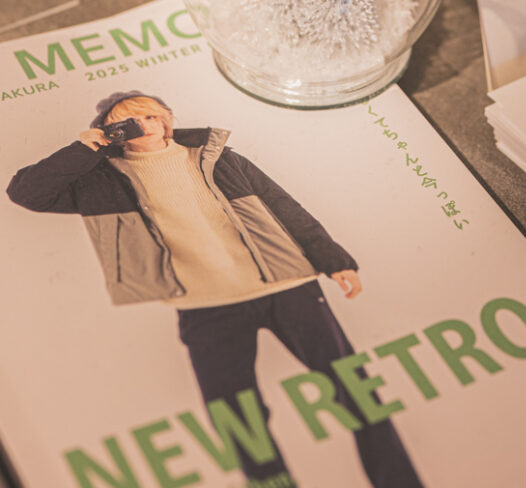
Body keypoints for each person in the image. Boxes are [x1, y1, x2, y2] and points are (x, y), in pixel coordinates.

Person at [7, 90, 423, 488]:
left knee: (355, 390)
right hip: (205, 306)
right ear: (109, 131)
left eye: (152, 115)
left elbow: (281, 204)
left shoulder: (217, 156)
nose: (145, 124)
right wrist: (85, 150)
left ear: (167, 121)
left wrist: (333, 259)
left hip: (288, 286)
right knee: (238, 420)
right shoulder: (100, 180)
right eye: (129, 121)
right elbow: (26, 193)